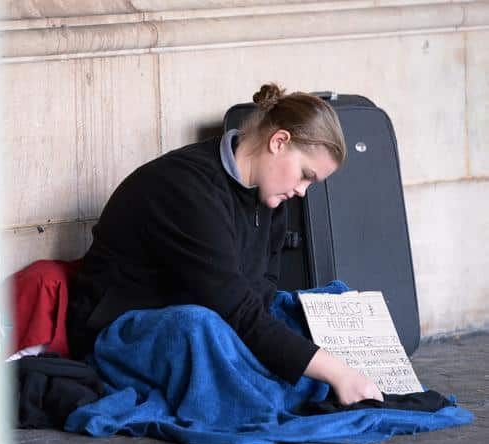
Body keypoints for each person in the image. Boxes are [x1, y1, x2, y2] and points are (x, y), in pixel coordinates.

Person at [66, 83, 383, 405]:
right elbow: (235, 309)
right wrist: (336, 372)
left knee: (329, 300)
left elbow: (263, 290)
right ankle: (292, 389)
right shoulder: (186, 188)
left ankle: (333, 383)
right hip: (124, 331)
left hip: (219, 313)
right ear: (279, 142)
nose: (303, 190)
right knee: (200, 327)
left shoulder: (271, 196)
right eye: (305, 174)